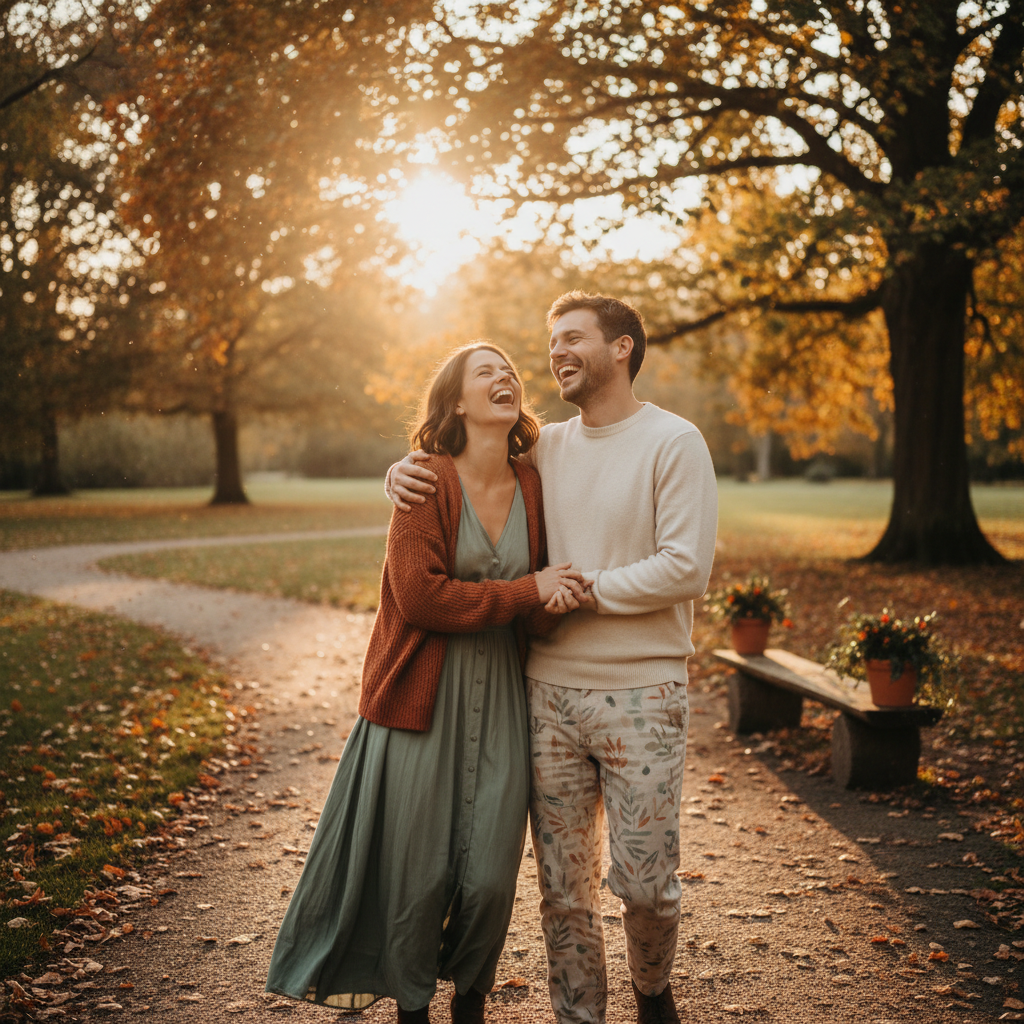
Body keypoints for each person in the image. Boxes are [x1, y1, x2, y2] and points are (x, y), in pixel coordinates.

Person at [387, 292, 719, 1024]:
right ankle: (579, 1016)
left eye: (573, 338)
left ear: (622, 347)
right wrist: (401, 473)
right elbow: (463, 464)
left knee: (646, 886)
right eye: (551, 344)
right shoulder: (544, 450)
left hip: (644, 695)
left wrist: (585, 588)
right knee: (565, 892)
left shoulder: (675, 441)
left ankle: (653, 989)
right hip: (547, 696)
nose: (556, 354)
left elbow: (686, 568)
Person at [266, 343, 585, 1024]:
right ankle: (412, 1007)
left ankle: (470, 998)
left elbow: (545, 586)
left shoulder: (533, 482)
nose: (506, 379)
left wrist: (551, 601)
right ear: (457, 403)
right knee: (416, 877)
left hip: (502, 695)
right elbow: (420, 599)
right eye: (486, 373)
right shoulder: (424, 483)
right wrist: (527, 590)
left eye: (511, 373)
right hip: (420, 700)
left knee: (492, 879)